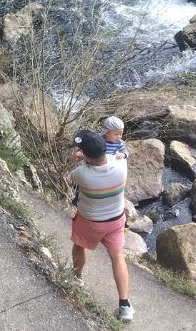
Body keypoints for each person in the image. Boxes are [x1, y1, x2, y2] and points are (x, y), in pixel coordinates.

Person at [69, 130, 133, 323]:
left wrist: (79, 159)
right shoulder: (122, 167)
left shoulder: (81, 174)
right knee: (117, 256)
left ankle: (77, 277)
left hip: (90, 221)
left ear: (85, 155)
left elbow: (75, 174)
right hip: (116, 220)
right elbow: (116, 157)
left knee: (79, 245)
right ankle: (125, 306)